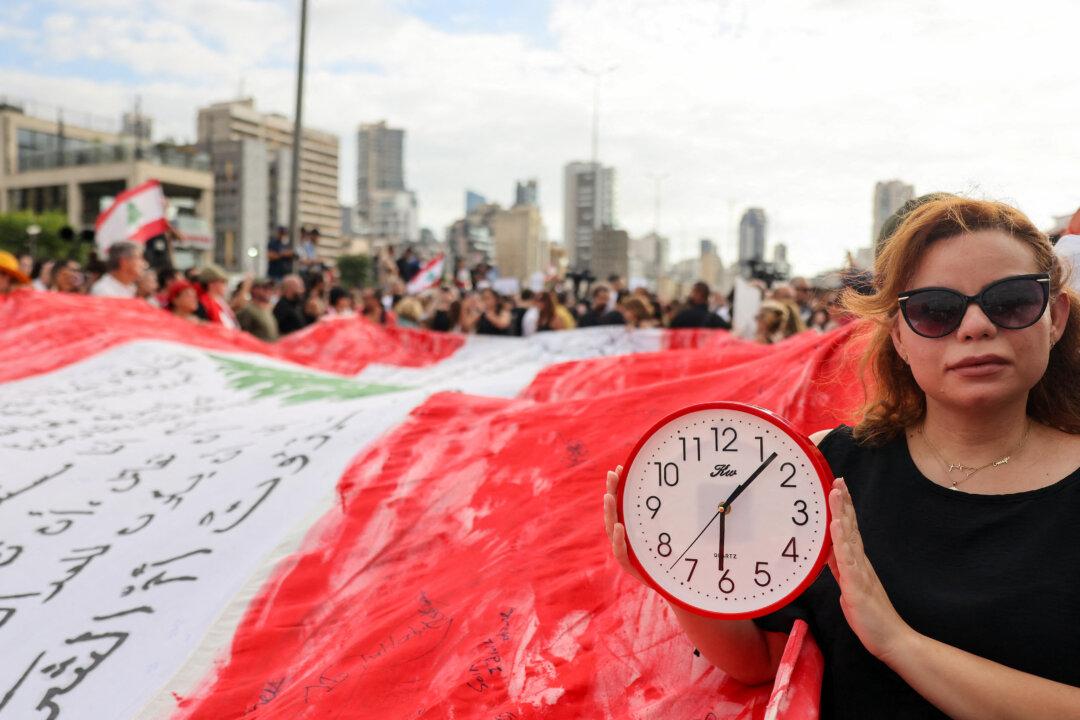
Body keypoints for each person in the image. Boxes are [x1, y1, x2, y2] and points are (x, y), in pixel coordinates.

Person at [603, 196, 1080, 717]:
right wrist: (678, 579)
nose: (975, 327)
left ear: (1054, 318)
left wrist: (898, 642)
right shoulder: (828, 469)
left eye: (1010, 301)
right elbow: (759, 659)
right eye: (935, 310)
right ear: (899, 335)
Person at [195, 265, 239, 329]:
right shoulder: (205, 303)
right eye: (222, 282)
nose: (225, 286)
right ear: (211, 284)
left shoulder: (219, 300)